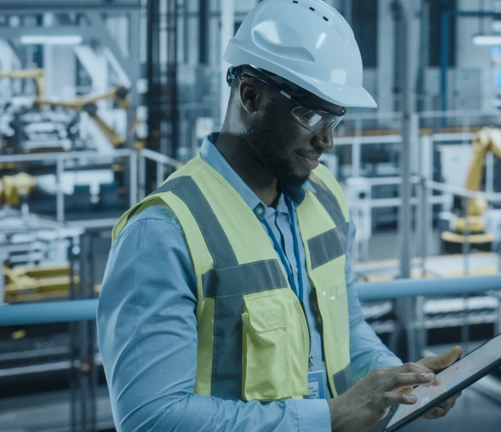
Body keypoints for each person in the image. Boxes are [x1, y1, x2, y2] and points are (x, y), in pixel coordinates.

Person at [97, 1, 461, 431]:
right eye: (311, 115)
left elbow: (346, 328)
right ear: (251, 96)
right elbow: (150, 418)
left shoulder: (326, 196)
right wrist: (331, 417)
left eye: (335, 119)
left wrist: (397, 381)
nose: (326, 140)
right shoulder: (162, 232)